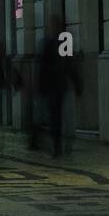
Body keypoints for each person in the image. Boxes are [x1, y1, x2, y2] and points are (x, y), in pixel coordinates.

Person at [38, 17, 81, 157]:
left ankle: (58, 146)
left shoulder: (55, 42)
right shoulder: (55, 42)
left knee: (57, 118)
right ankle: (59, 146)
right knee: (57, 117)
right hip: (56, 85)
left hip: (57, 85)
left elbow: (68, 64)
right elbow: (68, 64)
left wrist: (76, 82)